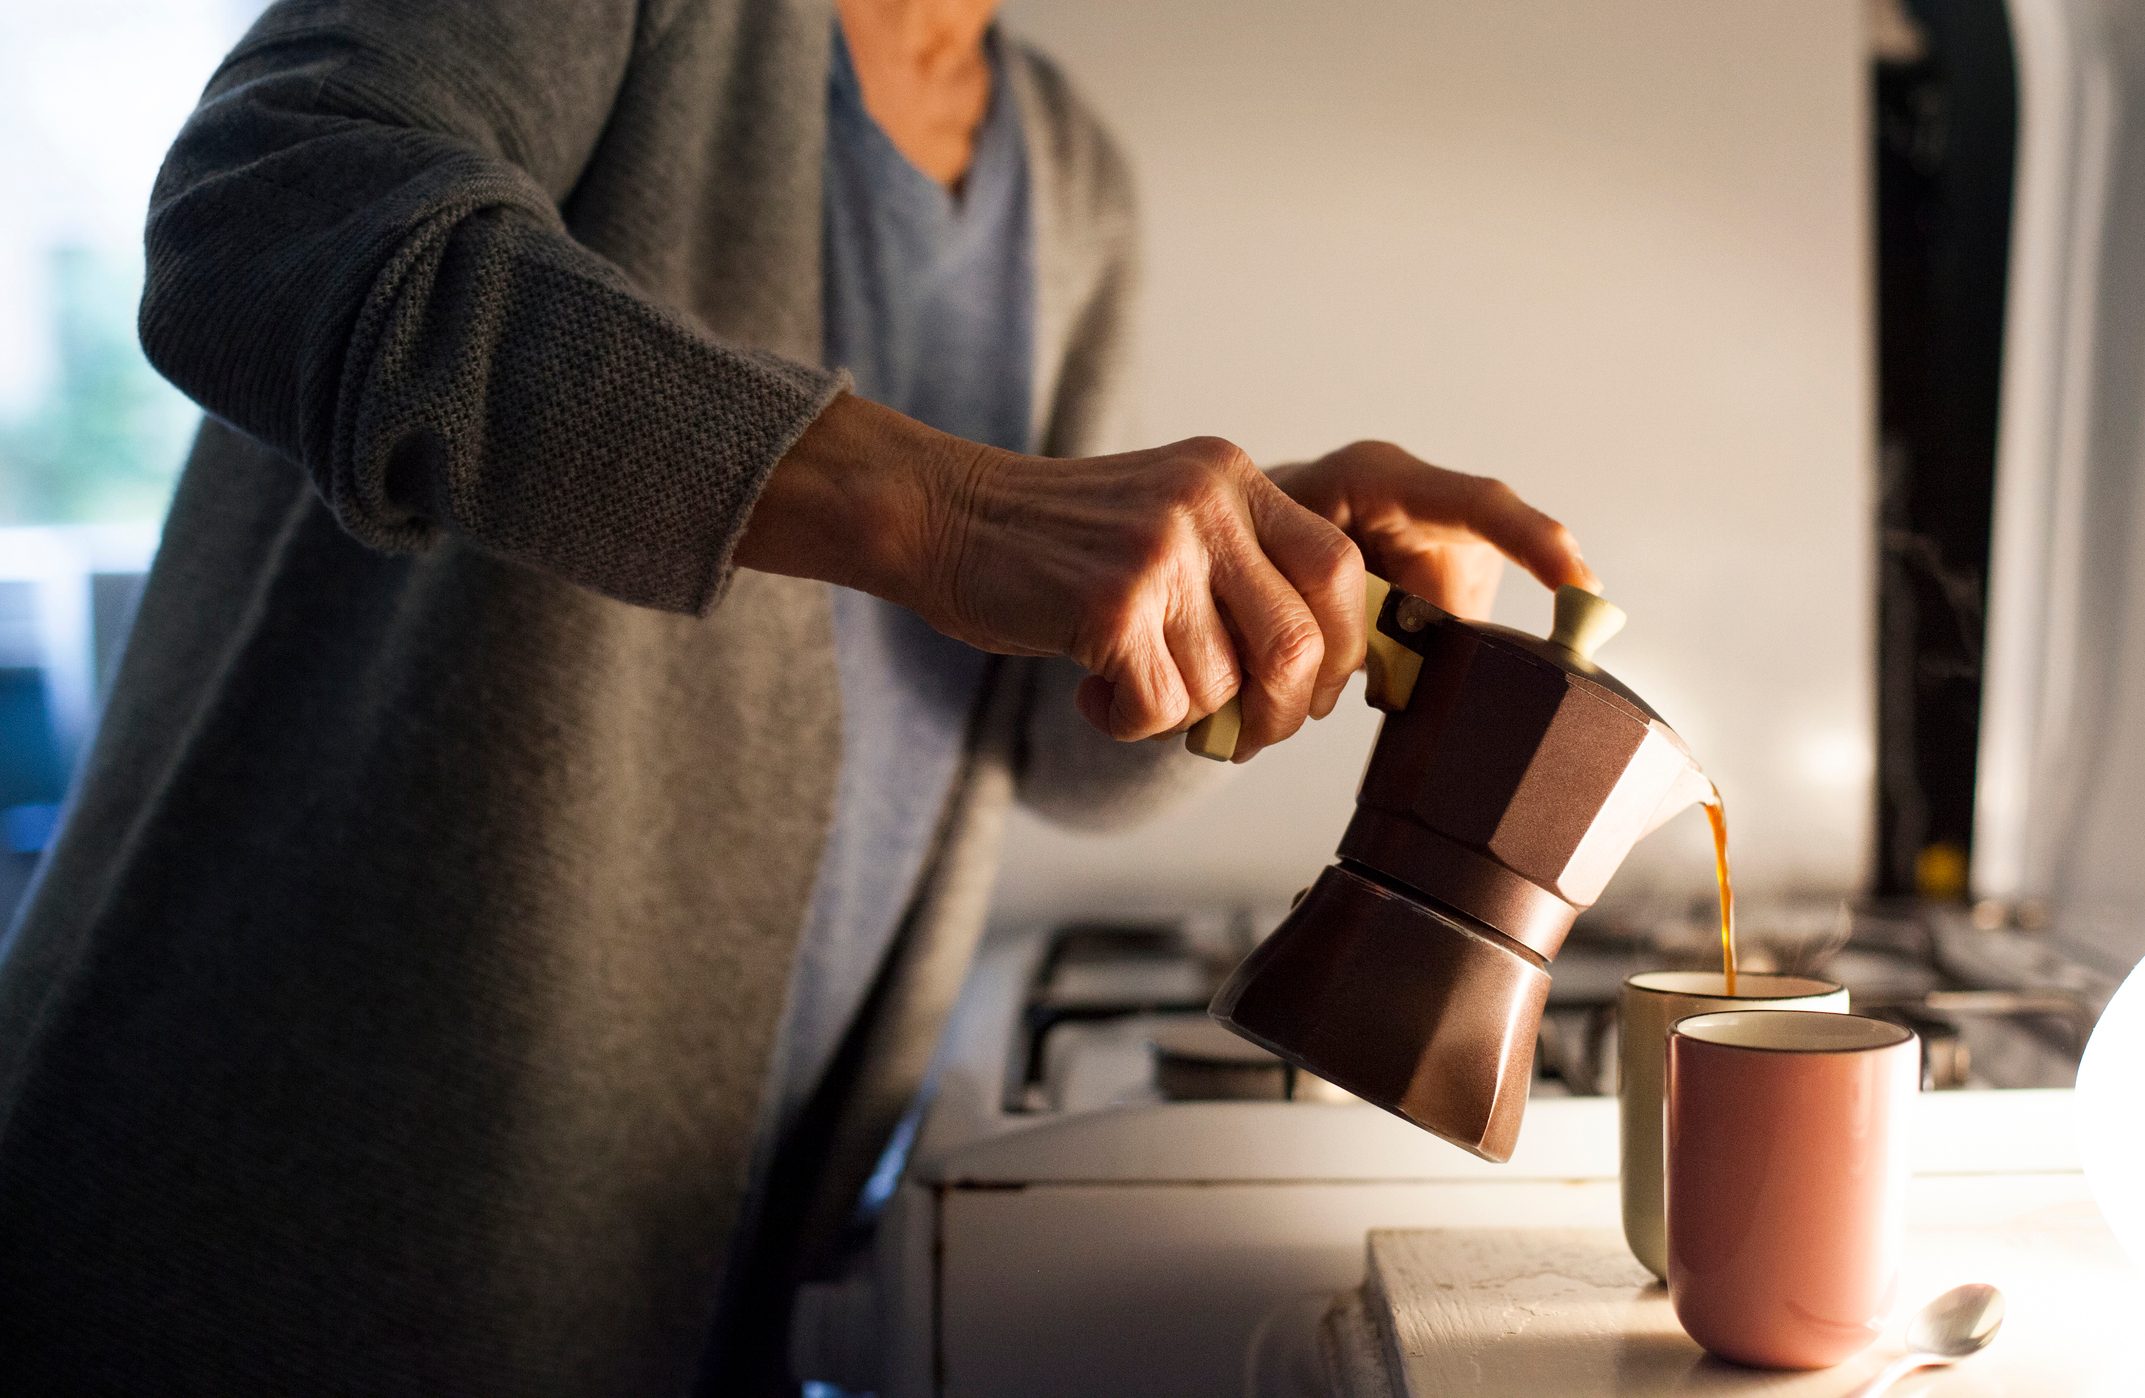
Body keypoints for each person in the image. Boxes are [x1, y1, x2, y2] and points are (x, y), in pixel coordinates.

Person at [0, 0, 1592, 1391]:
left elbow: (1045, 737)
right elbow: (259, 211)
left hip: (705, 1257)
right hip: (278, 1216)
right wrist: (940, 503)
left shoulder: (1069, 168)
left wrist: (1248, 593)